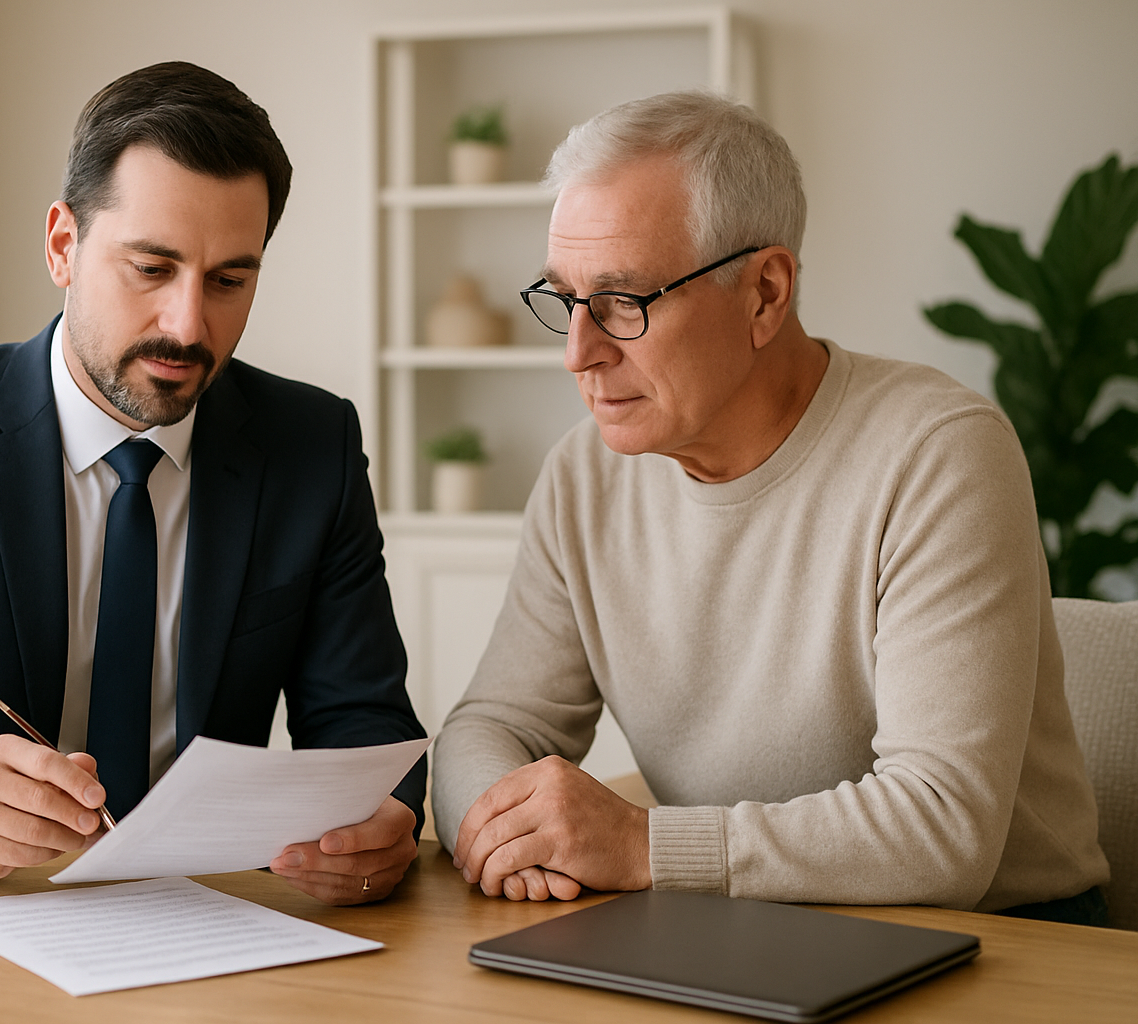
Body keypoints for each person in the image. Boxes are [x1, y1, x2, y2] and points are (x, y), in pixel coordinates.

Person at [0, 62, 425, 905]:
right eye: (151, 267)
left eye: (229, 281)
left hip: (193, 910)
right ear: (64, 244)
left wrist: (381, 819)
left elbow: (365, 723)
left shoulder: (312, 445)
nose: (187, 324)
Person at [433, 92, 1110, 924]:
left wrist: (644, 846)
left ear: (764, 294)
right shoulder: (584, 476)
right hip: (736, 923)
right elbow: (491, 725)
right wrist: (500, 830)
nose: (580, 352)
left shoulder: (939, 452)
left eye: (623, 301)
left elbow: (944, 827)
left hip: (1004, 944)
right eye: (565, 298)